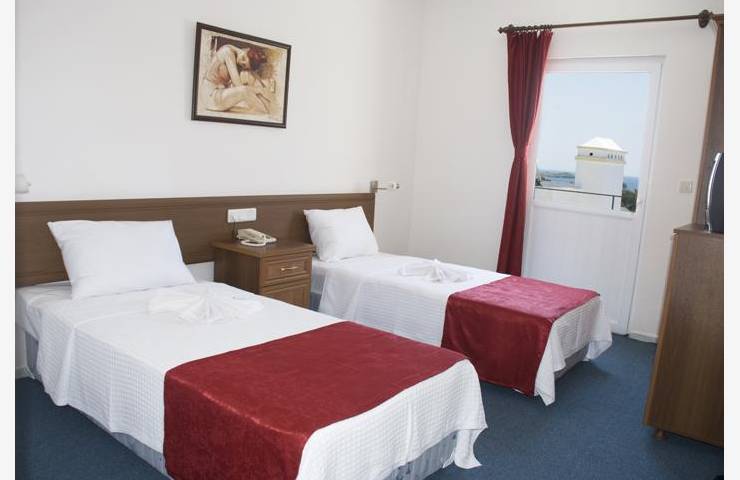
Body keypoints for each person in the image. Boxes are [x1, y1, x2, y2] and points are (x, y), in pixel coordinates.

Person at [200, 44, 271, 114]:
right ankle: (264, 113)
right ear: (246, 49)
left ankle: (266, 112)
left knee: (250, 93)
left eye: (244, 65)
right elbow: (238, 85)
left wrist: (262, 92)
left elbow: (254, 76)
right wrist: (258, 90)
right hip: (210, 96)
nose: (241, 61)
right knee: (244, 90)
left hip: (219, 95)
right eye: (243, 58)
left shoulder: (237, 59)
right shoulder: (227, 52)